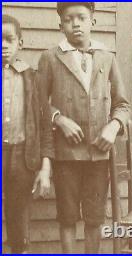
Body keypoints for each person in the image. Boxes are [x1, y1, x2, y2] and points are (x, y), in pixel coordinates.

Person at [35, 2, 130, 253]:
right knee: (67, 218)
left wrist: (114, 125)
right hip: (66, 156)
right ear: (60, 25)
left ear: (92, 22)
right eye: (68, 19)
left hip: (98, 155)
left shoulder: (107, 57)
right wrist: (59, 118)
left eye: (81, 17)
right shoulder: (50, 58)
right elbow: (38, 104)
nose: (75, 23)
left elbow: (123, 104)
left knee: (94, 218)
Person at [2, 14, 54, 254]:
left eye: (9, 39)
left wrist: (44, 166)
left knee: (18, 217)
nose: (3, 45)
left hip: (22, 156)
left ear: (19, 43)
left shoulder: (31, 78)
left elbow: (44, 125)